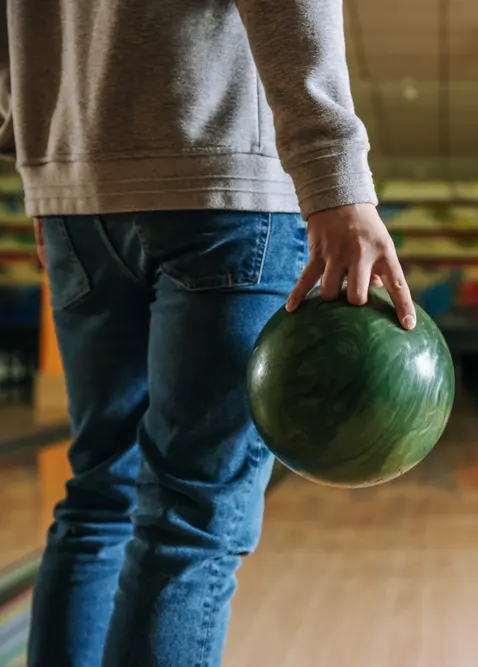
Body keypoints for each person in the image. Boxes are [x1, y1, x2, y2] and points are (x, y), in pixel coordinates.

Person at [1, 2, 415, 665]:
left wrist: (40, 160)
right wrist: (337, 178)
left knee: (98, 496)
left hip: (75, 183)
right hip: (220, 173)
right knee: (190, 521)